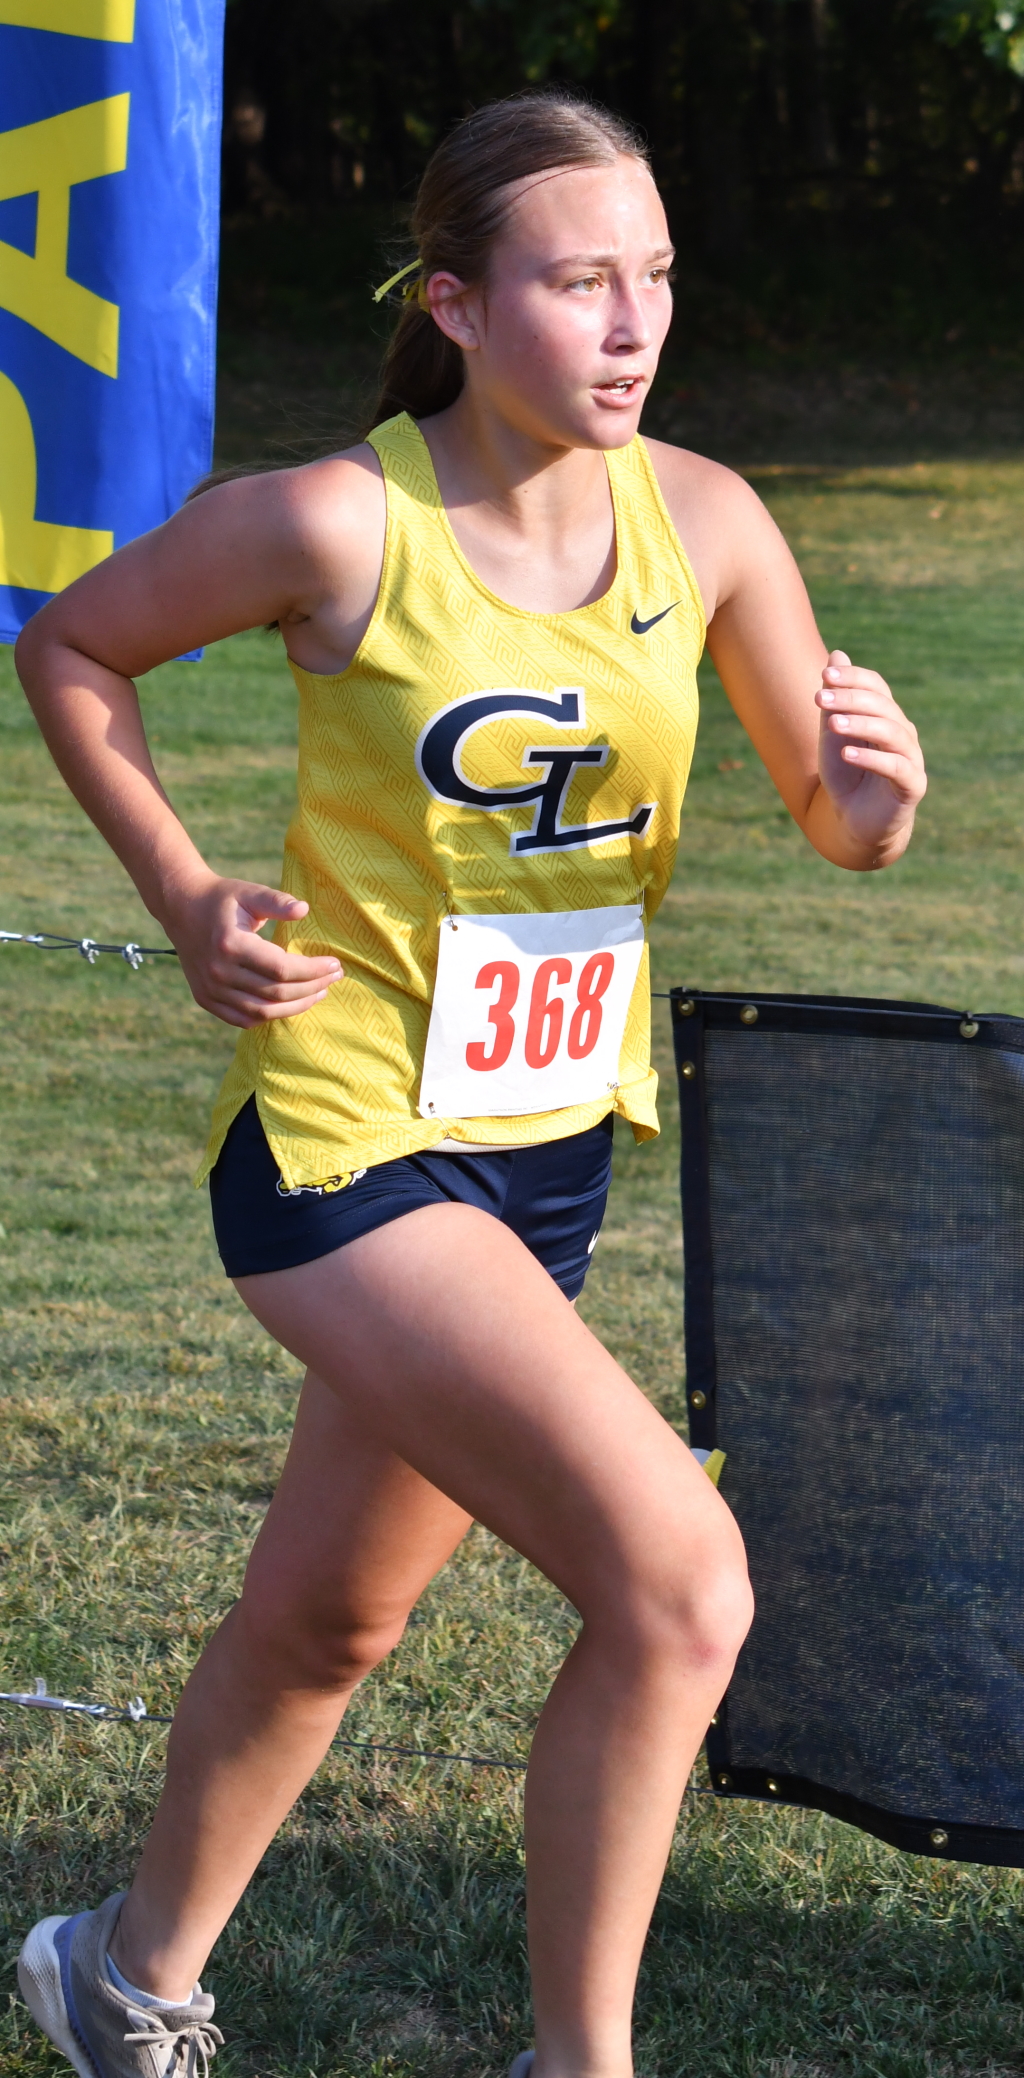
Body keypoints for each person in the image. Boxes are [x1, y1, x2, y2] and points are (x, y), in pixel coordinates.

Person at [13, 88, 926, 2078]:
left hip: (545, 1162)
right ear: (453, 301)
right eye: (581, 281)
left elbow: (834, 819)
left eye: (656, 275)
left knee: (331, 1621)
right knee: (680, 1587)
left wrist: (876, 795)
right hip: (347, 1147)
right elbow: (72, 648)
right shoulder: (338, 521)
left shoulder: (710, 520)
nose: (634, 322)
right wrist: (182, 890)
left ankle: (120, 1980)